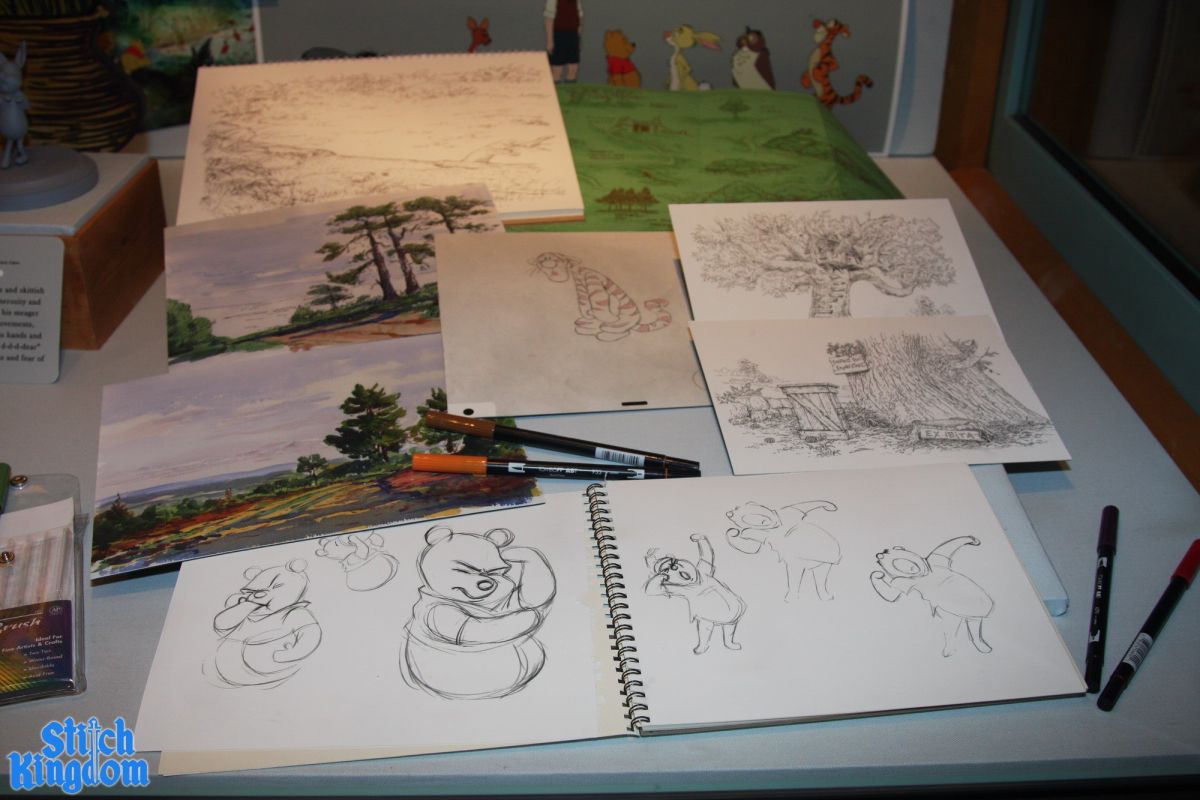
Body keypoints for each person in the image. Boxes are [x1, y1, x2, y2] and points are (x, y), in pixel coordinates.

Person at [544, 0, 583, 83]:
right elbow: (549, 19)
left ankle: (571, 89)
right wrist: (550, 41)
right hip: (558, 36)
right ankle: (555, 89)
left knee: (573, 68)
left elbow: (579, 18)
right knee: (557, 70)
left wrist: (578, 39)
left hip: (573, 35)